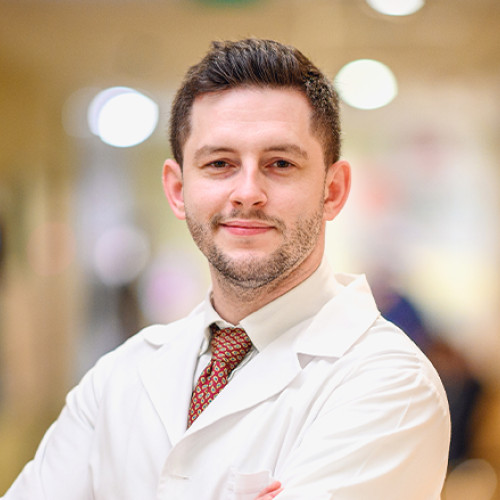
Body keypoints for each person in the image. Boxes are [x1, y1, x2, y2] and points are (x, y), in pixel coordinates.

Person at [2, 38, 450, 500]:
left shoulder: (389, 384)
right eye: (219, 163)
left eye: (280, 163)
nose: (247, 192)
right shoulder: (117, 377)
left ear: (332, 191)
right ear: (178, 190)